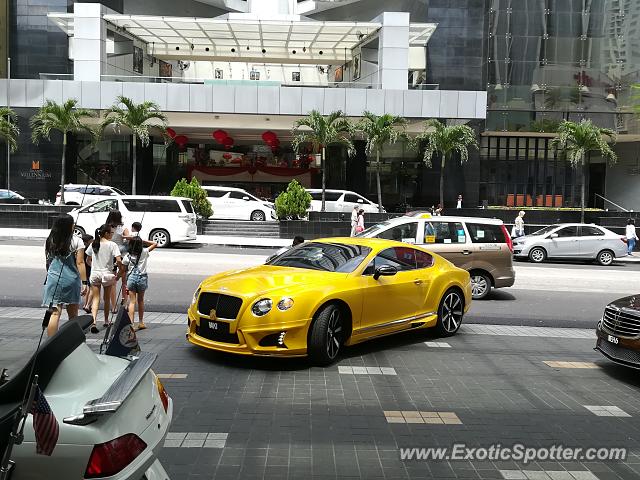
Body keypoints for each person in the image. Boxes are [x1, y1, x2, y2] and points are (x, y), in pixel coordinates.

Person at [42, 214, 88, 337]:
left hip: (53, 279)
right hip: (71, 280)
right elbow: (80, 262)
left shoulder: (50, 240)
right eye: (72, 223)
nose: (74, 225)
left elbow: (48, 261)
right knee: (73, 315)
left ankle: (51, 344)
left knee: (54, 313)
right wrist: (84, 282)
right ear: (68, 226)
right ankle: (71, 342)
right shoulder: (77, 241)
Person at [87, 224, 124, 333]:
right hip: (107, 274)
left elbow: (88, 260)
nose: (112, 234)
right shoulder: (112, 245)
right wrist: (120, 271)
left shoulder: (94, 244)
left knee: (96, 298)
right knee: (106, 298)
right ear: (107, 233)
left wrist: (94, 266)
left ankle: (93, 322)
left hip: (95, 274)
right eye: (111, 233)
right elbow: (119, 260)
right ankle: (106, 320)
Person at [123, 236, 157, 331]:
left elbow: (124, 269)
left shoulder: (127, 256)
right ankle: (141, 322)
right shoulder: (144, 252)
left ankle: (131, 324)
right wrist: (143, 241)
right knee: (141, 300)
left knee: (132, 301)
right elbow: (155, 244)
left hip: (131, 278)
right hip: (142, 278)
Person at [106, 210, 130, 313]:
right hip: (122, 256)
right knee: (124, 282)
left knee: (113, 282)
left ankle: (113, 306)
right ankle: (124, 303)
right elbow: (129, 239)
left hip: (110, 255)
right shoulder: (123, 228)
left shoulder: (106, 228)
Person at [81, 233, 94, 313]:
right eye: (91, 241)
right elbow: (89, 261)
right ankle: (87, 305)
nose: (92, 243)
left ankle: (85, 304)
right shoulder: (88, 250)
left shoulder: (81, 249)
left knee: (88, 288)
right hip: (89, 270)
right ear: (86, 242)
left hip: (84, 270)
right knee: (91, 288)